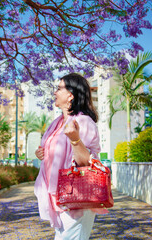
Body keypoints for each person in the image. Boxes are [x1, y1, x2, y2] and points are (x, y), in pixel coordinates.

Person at [34, 73, 107, 240]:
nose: (55, 92)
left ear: (70, 95)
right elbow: (53, 155)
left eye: (59, 88)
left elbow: (86, 163)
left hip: (77, 195)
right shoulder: (56, 123)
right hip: (59, 197)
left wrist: (75, 140)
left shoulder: (83, 122)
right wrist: (42, 154)